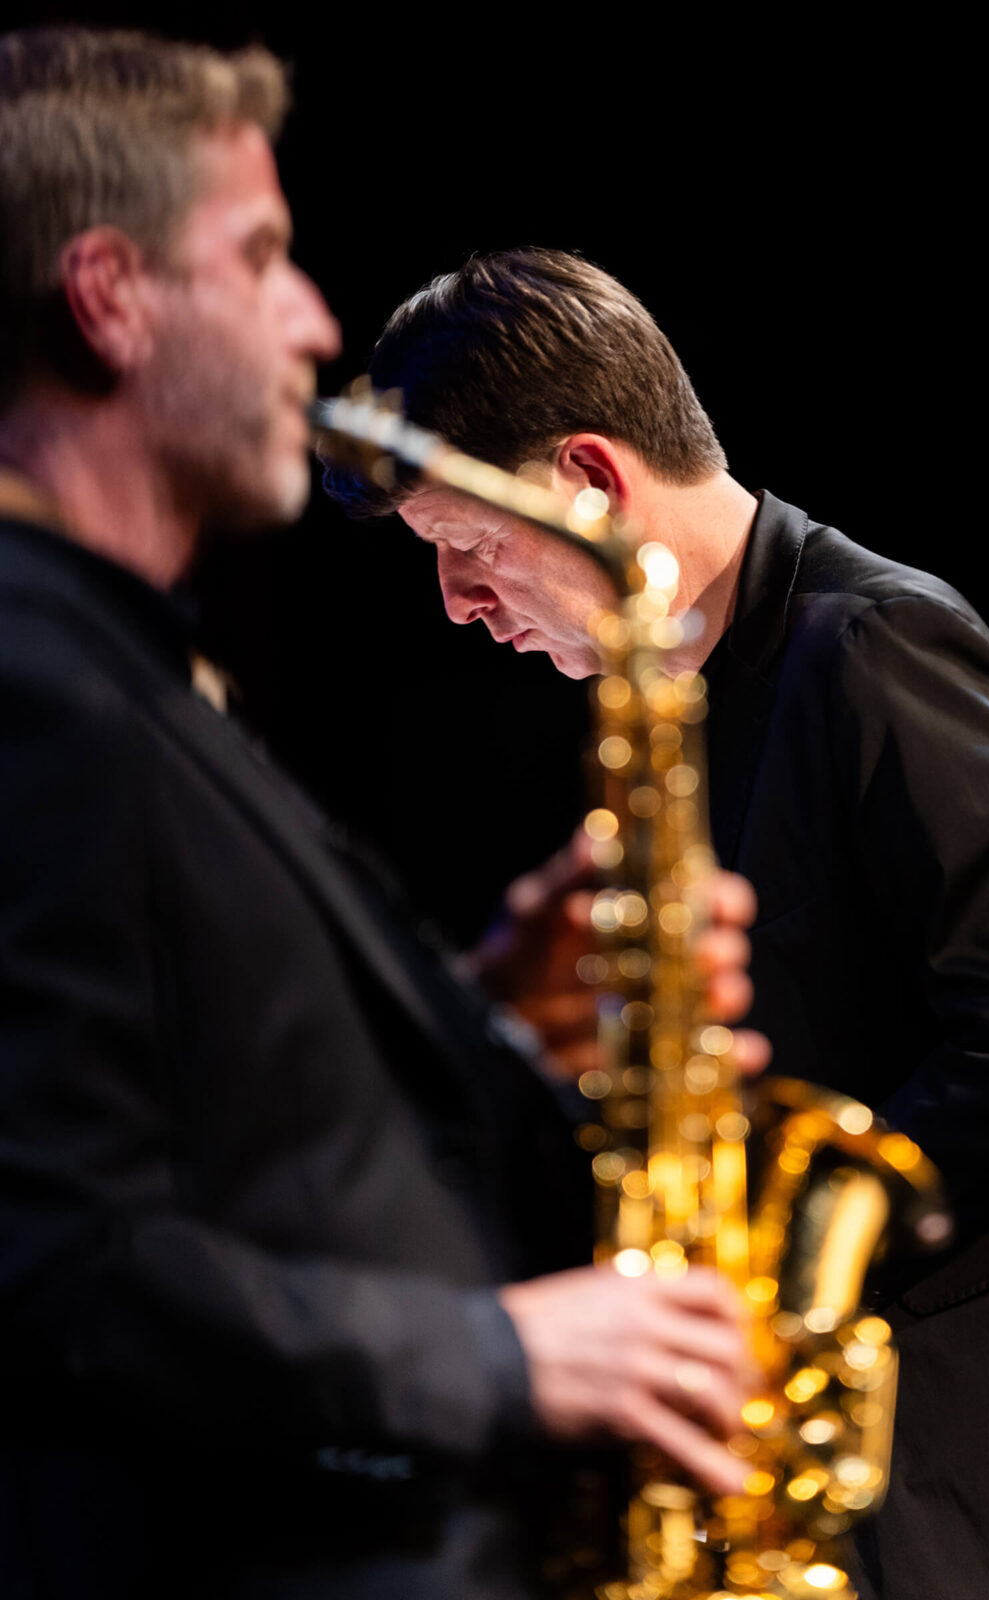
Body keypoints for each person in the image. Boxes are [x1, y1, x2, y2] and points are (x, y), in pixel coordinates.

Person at [0, 34, 767, 1600]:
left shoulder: (118, 663)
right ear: (110, 296)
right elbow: (50, 1272)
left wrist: (492, 1018)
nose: (313, 321)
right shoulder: (30, 682)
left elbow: (188, 1107)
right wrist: (502, 1356)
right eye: (262, 257)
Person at [326, 247, 989, 1600]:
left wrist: (789, 1259)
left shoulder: (878, 644)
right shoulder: (676, 708)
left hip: (961, 1467)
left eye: (467, 549)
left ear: (592, 483)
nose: (457, 605)